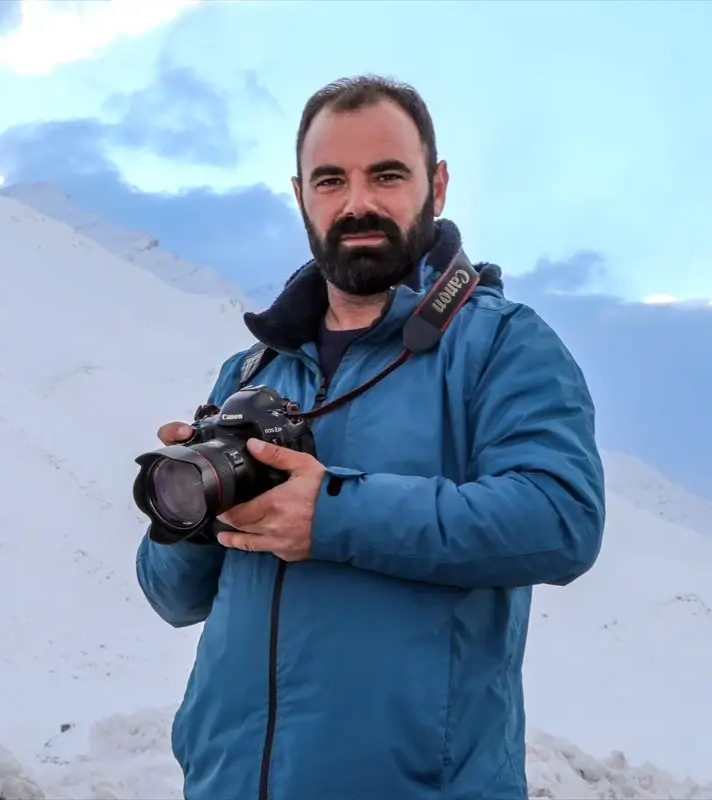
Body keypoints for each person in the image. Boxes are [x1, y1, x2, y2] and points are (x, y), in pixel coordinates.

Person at [134, 74, 606, 800]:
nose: (357, 203)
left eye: (386, 175)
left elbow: (561, 518)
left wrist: (332, 516)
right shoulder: (252, 370)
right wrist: (194, 511)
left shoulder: (503, 345)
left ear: (437, 186)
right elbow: (173, 600)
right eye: (331, 181)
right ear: (301, 198)